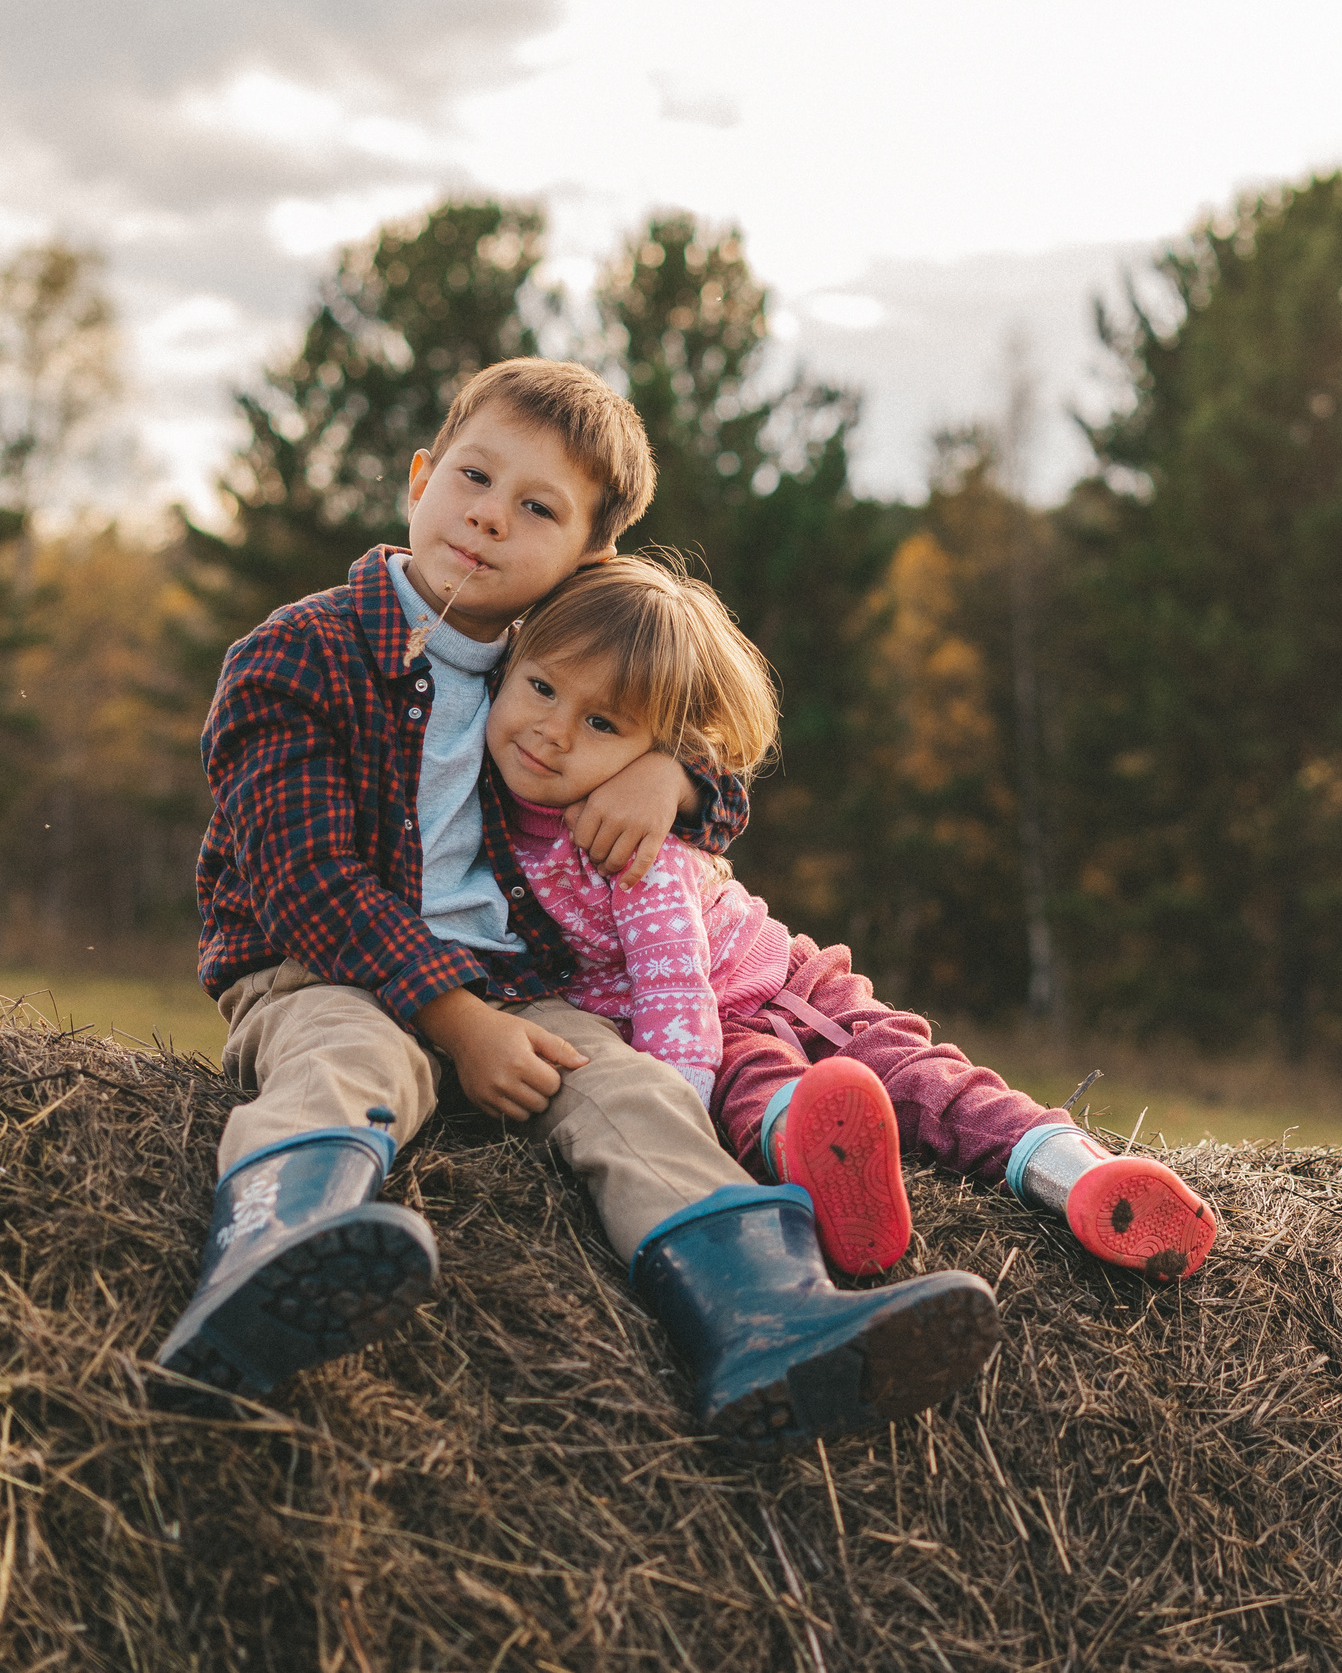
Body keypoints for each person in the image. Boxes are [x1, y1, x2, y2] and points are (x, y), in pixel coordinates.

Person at [157, 359, 1000, 1458]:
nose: (489, 516)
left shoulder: (548, 660)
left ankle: (763, 1317)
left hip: (518, 986)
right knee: (348, 1054)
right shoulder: (300, 653)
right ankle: (275, 1252)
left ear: (585, 563)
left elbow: (700, 740)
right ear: (419, 479)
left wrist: (675, 779)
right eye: (473, 477)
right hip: (321, 969)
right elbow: (304, 882)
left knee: (633, 1090)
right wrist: (457, 1023)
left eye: (537, 508)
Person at [486, 554, 1219, 1291]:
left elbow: (674, 992)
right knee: (768, 1097)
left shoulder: (627, 834)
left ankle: (1081, 1175)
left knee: (920, 1078)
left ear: (654, 744)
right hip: (721, 1028)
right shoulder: (476, 803)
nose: (553, 731)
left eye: (601, 723)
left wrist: (676, 1109)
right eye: (543, 688)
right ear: (509, 663)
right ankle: (838, 1181)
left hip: (776, 986)